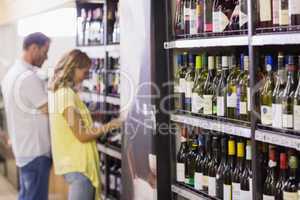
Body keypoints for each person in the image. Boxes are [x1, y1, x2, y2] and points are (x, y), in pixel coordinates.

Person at [48, 49, 122, 200]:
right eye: (85, 71)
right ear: (73, 68)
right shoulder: (66, 96)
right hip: (78, 166)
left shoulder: (61, 93)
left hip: (74, 164)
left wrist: (94, 115)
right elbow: (82, 135)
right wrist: (111, 125)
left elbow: (71, 120)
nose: (87, 76)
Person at [1, 32, 51, 200]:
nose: (46, 57)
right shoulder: (28, 77)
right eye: (45, 51)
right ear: (33, 48)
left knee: (27, 195)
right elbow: (49, 110)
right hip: (35, 151)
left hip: (24, 149)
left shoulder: (12, 73)